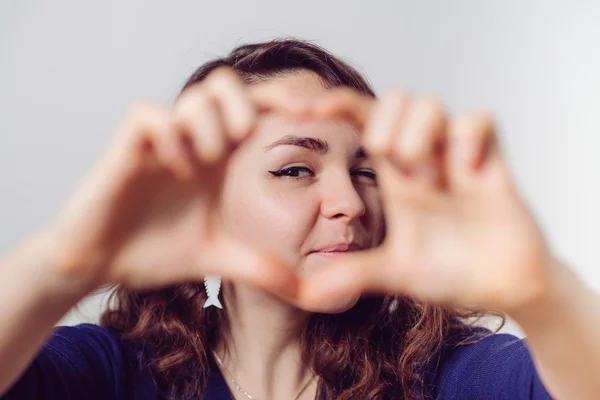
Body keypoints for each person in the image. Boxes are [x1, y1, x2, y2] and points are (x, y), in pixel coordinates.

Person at [0, 38, 598, 400]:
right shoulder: (114, 373)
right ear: (204, 199)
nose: (352, 202)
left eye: (365, 170)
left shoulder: (440, 373)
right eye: (295, 169)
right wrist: (62, 264)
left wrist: (542, 291)